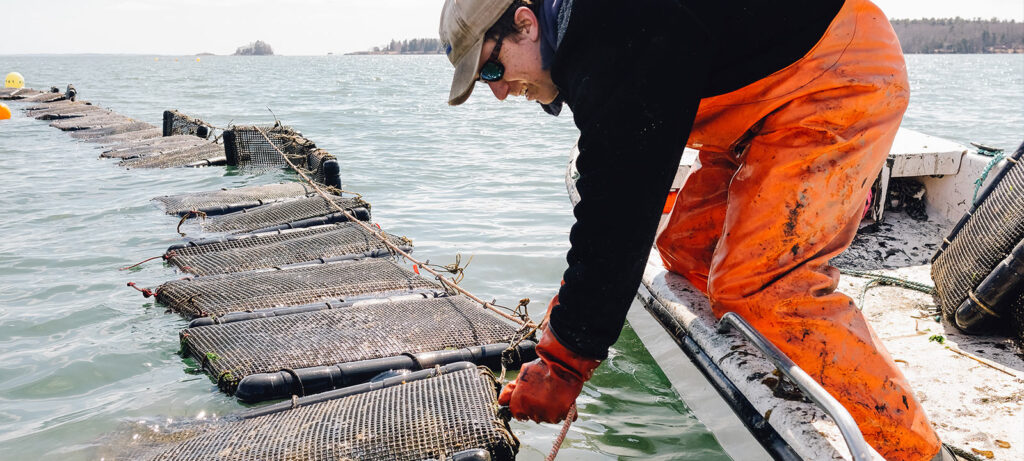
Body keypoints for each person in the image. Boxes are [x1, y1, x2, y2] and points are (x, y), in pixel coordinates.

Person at [439, 0, 951, 459]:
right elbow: (619, 182)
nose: (501, 92)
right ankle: (785, 356)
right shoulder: (596, 36)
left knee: (761, 287)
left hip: (834, 80)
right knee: (685, 250)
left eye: (490, 70)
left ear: (525, 24)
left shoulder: (614, 30)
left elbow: (616, 215)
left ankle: (913, 450)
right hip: (755, 114)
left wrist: (564, 363)